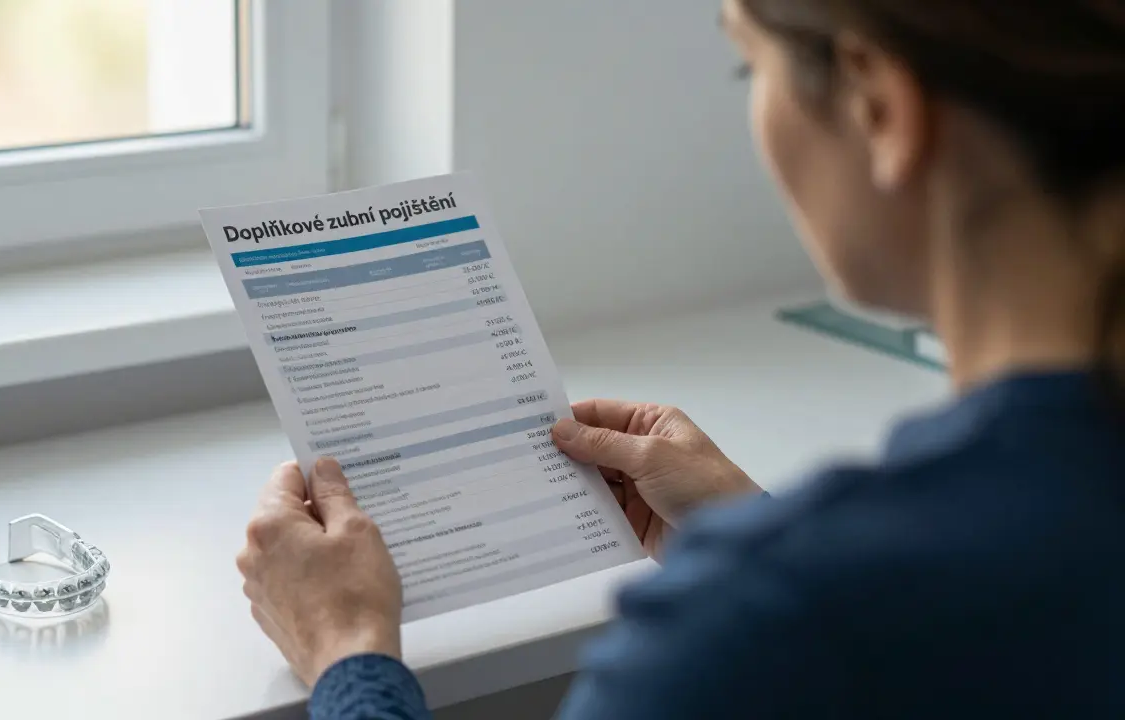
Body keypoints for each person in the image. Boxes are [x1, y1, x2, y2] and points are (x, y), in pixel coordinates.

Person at [236, 0, 1125, 716]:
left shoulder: (757, 627)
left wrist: (347, 654)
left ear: (879, 104)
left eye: (752, 64)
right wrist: (754, 527)